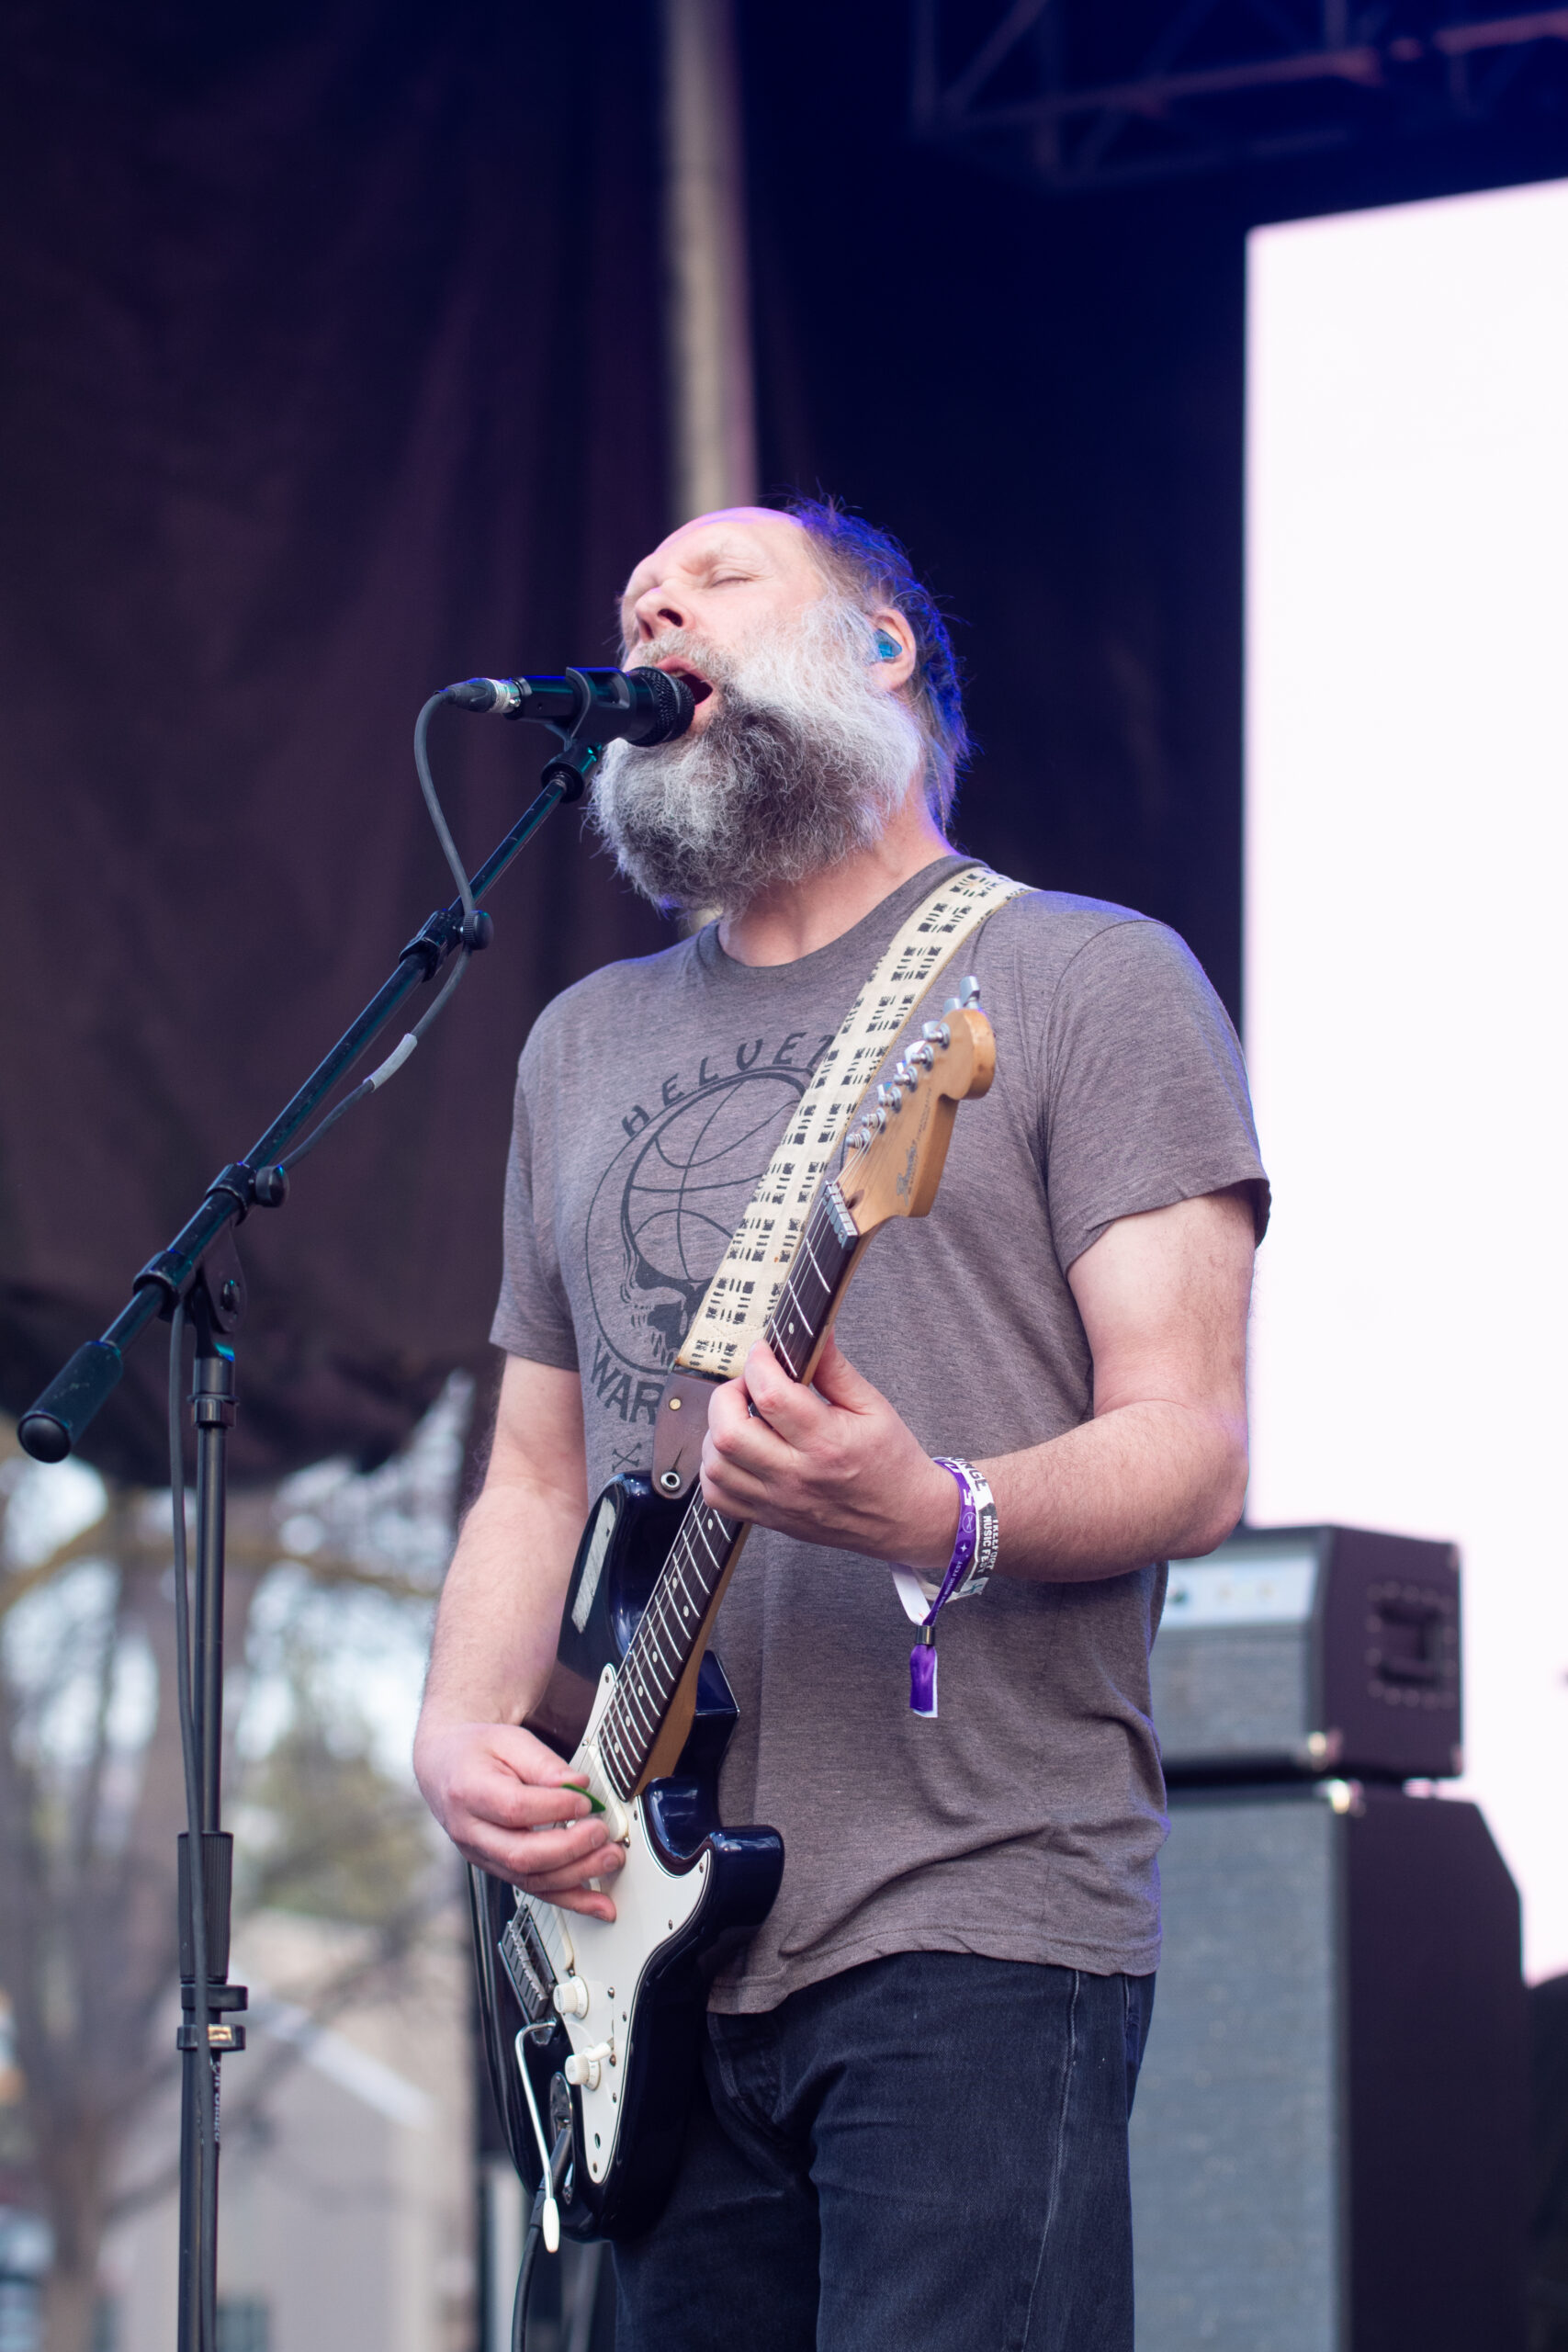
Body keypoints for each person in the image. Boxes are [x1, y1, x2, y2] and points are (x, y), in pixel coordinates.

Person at [413, 497, 1268, 2351]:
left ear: (882, 648)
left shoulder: (1079, 978)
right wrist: (461, 1730)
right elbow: (535, 1476)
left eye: (712, 579)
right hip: (643, 1942)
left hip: (973, 1905)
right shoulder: (576, 1044)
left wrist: (935, 1505)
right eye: (635, 594)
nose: (651, 606)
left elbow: (1191, 1444)